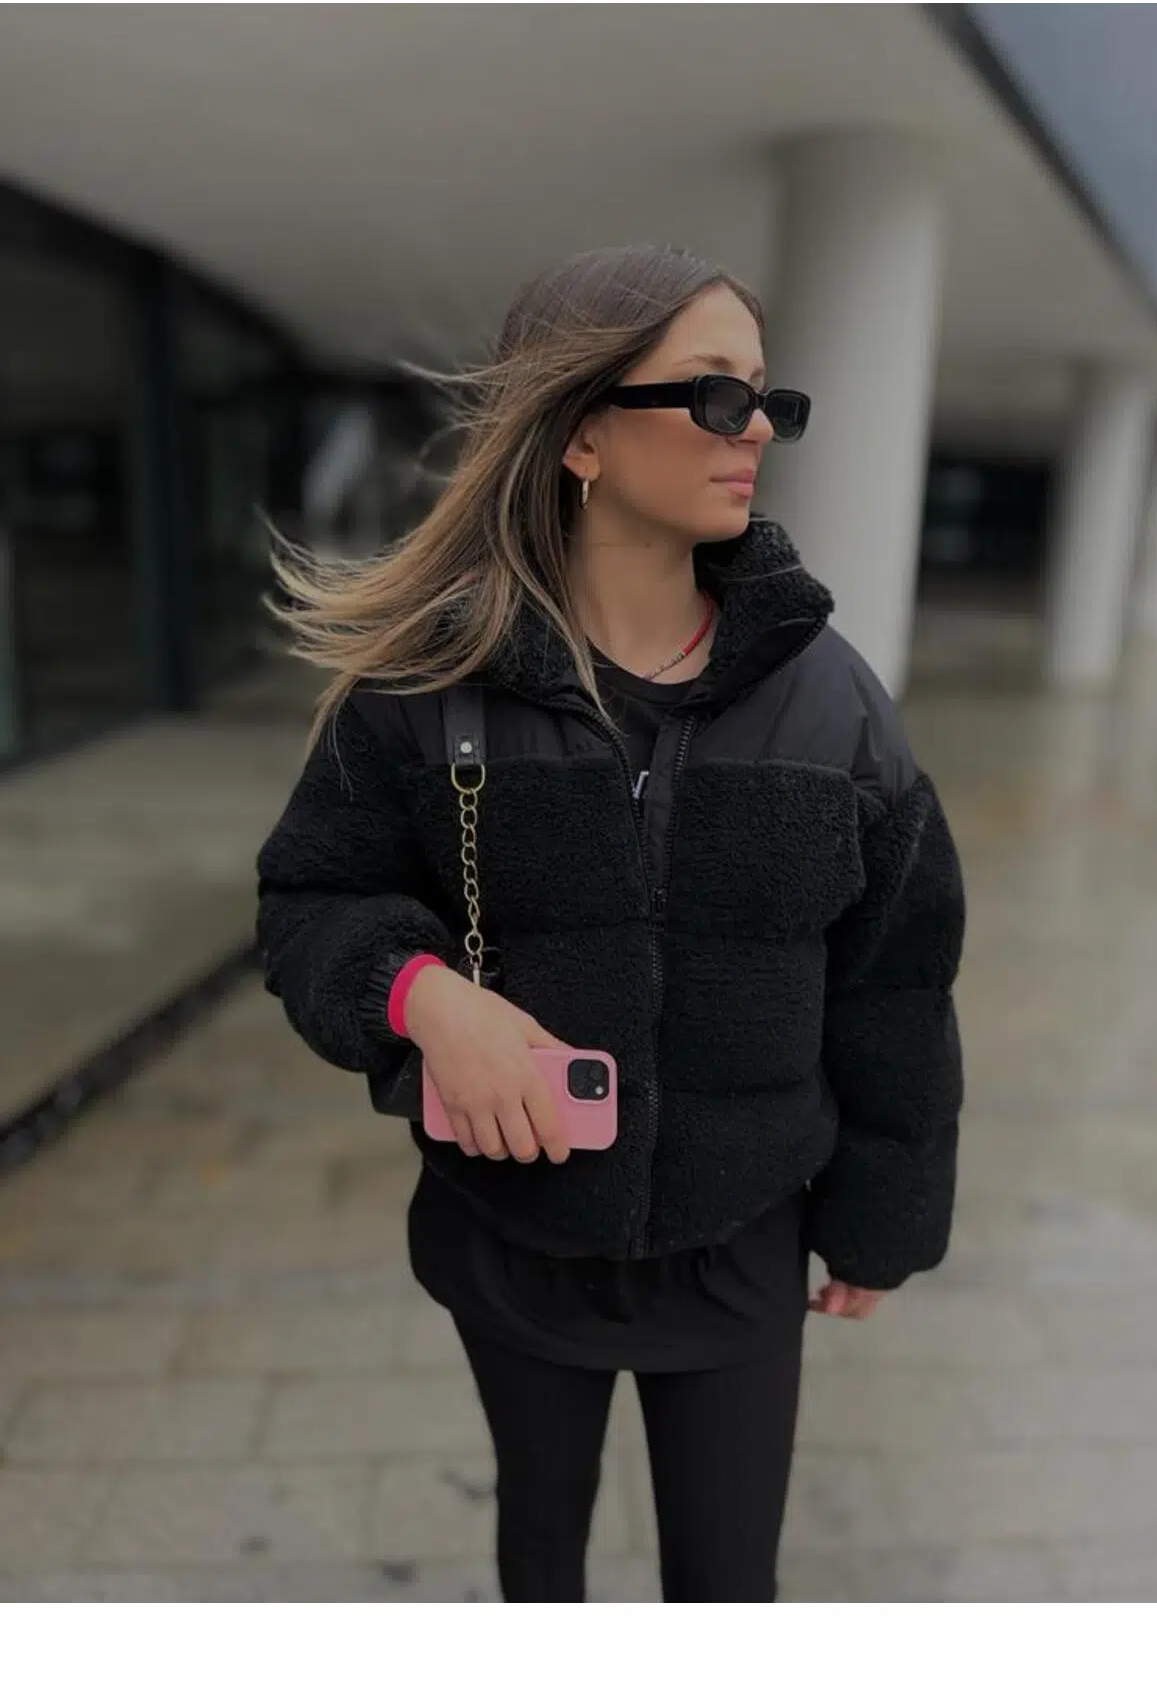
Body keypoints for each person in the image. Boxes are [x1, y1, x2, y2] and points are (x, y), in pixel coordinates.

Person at [254, 242, 967, 1604]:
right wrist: (422, 998)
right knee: (540, 1562)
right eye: (713, 394)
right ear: (581, 434)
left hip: (744, 1240)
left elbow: (896, 980)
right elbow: (310, 901)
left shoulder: (834, 704)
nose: (755, 429)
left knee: (727, 1590)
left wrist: (887, 1214)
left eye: (767, 397)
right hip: (511, 1233)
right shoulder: (429, 686)